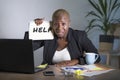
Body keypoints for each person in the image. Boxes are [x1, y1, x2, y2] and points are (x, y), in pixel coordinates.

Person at [24, 9, 100, 67]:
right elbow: (27, 48)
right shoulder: (48, 35)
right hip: (49, 75)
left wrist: (77, 61)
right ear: (52, 24)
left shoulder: (79, 36)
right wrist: (34, 29)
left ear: (69, 23)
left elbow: (97, 57)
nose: (59, 28)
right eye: (56, 24)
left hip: (72, 76)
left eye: (63, 24)